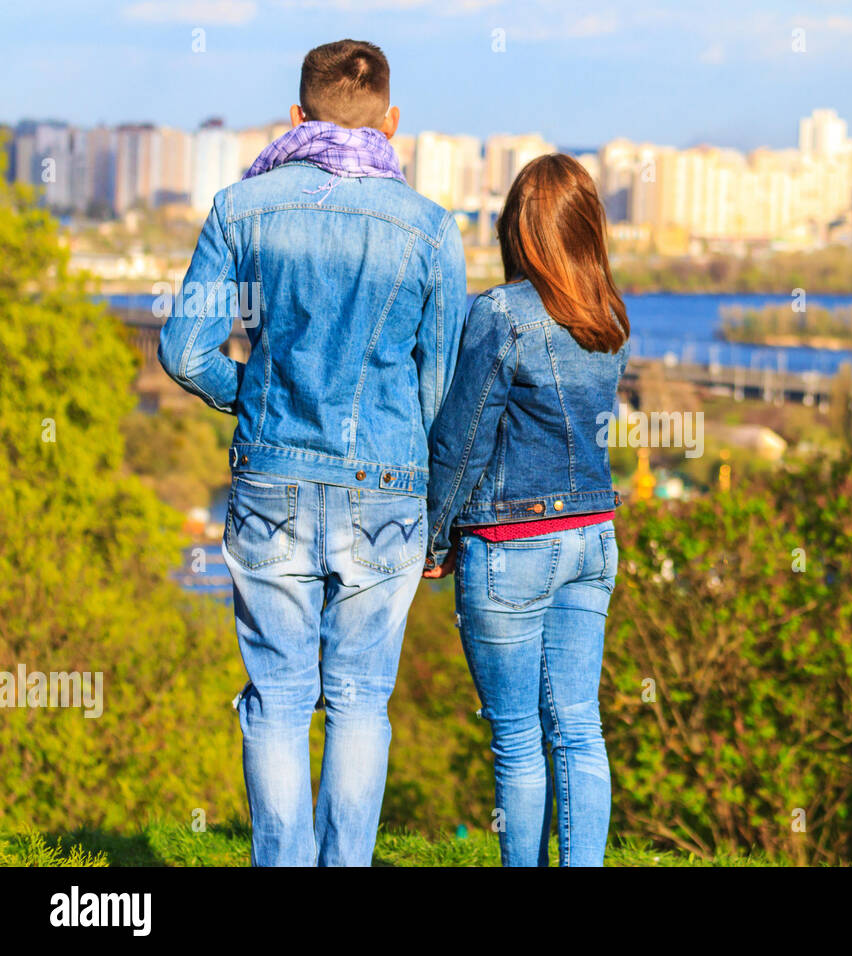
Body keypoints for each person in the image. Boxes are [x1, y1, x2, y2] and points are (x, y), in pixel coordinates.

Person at [158, 39, 467, 866]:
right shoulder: (433, 229)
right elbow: (440, 385)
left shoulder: (238, 208)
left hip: (272, 481)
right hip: (386, 490)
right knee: (362, 702)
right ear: (392, 123)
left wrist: (253, 399)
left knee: (278, 701)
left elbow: (186, 353)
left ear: (296, 117)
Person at [423, 153, 629, 867]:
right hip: (593, 540)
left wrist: (435, 538)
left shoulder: (501, 315)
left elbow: (460, 439)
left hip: (512, 544)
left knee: (515, 738)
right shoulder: (608, 318)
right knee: (579, 729)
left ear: (520, 228)